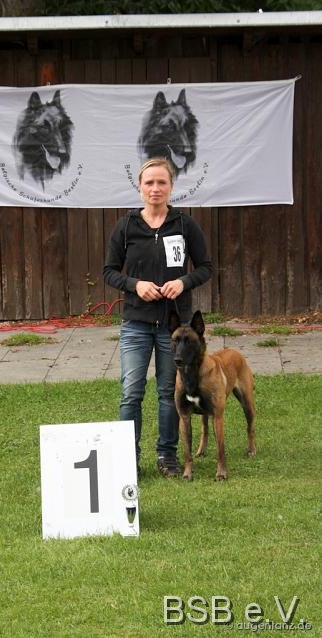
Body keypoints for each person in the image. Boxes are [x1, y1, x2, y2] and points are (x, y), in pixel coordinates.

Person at [103, 158, 212, 478]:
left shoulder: (185, 225)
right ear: (140, 187)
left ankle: (167, 455)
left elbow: (205, 267)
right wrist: (134, 285)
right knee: (131, 392)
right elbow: (109, 271)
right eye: (149, 182)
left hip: (174, 329)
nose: (155, 188)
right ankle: (128, 458)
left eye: (161, 182)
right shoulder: (126, 227)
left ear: (171, 186)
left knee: (168, 392)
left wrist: (184, 282)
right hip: (136, 323)